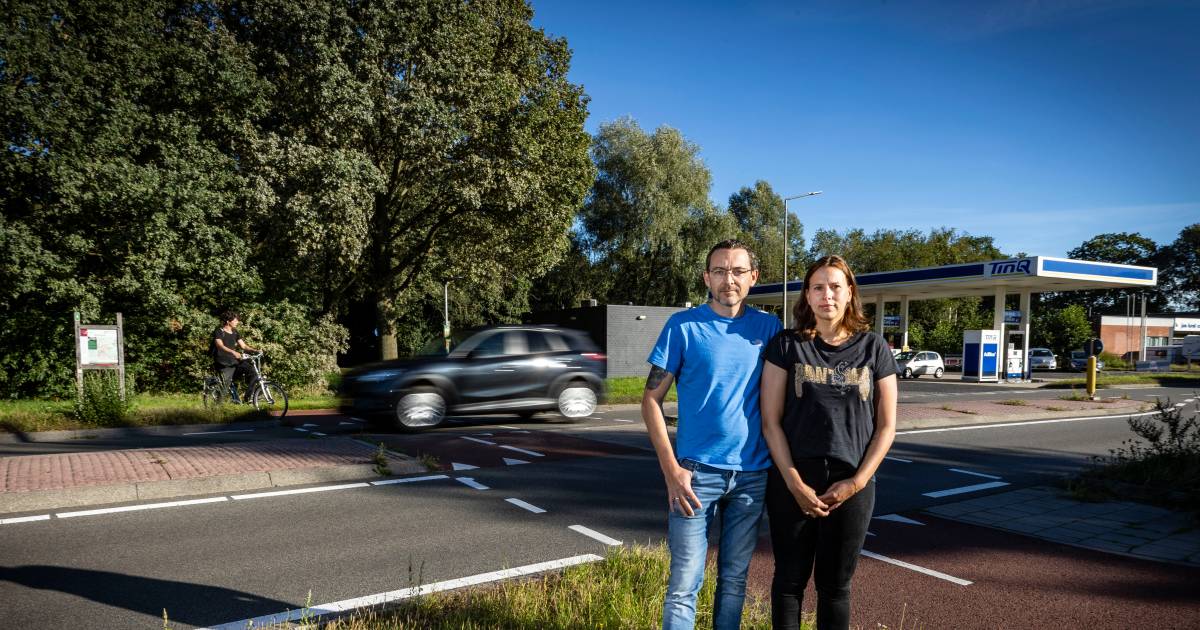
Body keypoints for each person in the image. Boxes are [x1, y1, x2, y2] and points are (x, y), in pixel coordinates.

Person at [643, 239, 783, 630]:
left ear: (753, 277)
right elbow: (650, 401)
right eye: (720, 271)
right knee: (684, 583)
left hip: (753, 476)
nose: (729, 279)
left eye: (738, 271)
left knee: (734, 582)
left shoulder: (770, 329)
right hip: (694, 476)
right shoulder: (683, 327)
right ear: (707, 277)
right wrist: (671, 470)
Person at [760, 255, 898, 630]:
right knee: (789, 583)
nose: (827, 295)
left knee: (836, 587)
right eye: (818, 287)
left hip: (852, 482)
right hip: (793, 481)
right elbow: (770, 422)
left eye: (835, 286)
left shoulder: (874, 349)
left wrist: (856, 483)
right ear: (807, 295)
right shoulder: (786, 346)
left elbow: (886, 427)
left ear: (849, 292)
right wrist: (794, 484)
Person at [211, 310, 259, 403]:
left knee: (253, 372)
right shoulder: (219, 331)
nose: (237, 322)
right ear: (228, 321)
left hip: (234, 361)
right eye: (235, 320)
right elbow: (219, 345)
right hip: (224, 363)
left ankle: (247, 398)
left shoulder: (235, 332)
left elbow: (244, 346)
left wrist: (255, 350)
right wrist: (233, 352)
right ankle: (216, 407)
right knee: (224, 388)